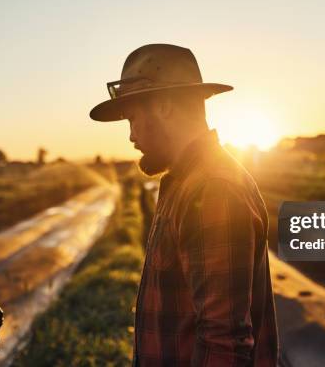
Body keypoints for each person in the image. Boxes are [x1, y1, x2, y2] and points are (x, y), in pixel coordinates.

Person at [90, 44, 278, 366]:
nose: (131, 136)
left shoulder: (212, 190)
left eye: (132, 118)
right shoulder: (186, 183)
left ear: (164, 106)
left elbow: (224, 345)